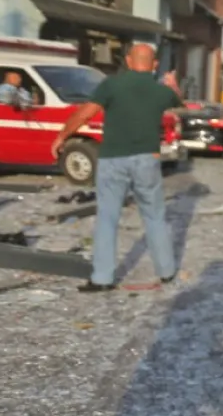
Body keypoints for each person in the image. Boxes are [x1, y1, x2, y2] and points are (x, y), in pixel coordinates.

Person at [50, 44, 181, 292]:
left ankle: (102, 278)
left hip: (113, 159)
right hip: (147, 159)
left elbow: (84, 114)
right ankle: (166, 271)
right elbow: (177, 100)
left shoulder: (111, 85)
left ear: (129, 61)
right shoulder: (160, 90)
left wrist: (62, 136)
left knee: (107, 218)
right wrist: (172, 84)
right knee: (154, 216)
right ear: (154, 65)